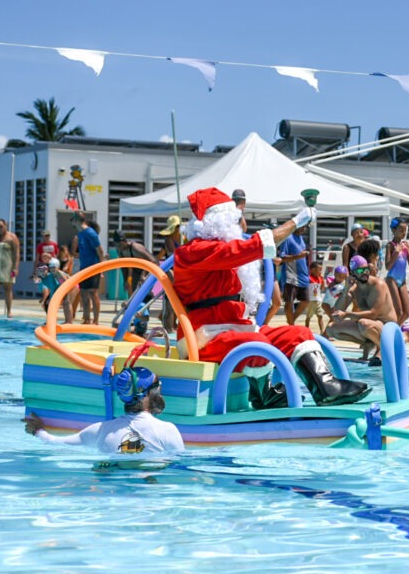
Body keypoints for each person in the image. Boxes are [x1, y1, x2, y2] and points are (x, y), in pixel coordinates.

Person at [172, 187, 368, 409]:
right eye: (233, 219)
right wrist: (295, 222)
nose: (239, 224)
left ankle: (327, 388)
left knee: (298, 334)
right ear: (217, 221)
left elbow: (245, 249)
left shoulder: (218, 249)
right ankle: (262, 396)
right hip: (203, 337)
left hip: (236, 328)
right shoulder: (194, 252)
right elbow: (251, 247)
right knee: (256, 344)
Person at [23, 366, 184, 455]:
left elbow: (54, 442)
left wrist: (37, 430)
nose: (160, 390)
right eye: (157, 386)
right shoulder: (167, 431)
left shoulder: (101, 431)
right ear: (146, 395)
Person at [325, 256, 398, 365]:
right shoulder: (354, 288)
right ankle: (369, 342)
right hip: (368, 325)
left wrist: (346, 315)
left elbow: (374, 314)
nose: (364, 273)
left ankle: (385, 350)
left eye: (366, 269)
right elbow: (337, 310)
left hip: (386, 326)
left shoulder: (378, 285)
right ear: (352, 273)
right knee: (331, 329)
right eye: (360, 271)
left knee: (363, 324)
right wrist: (346, 289)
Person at [72, 213, 104, 325]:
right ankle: (86, 319)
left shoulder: (90, 233)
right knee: (84, 293)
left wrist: (101, 268)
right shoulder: (80, 234)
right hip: (83, 267)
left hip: (93, 267)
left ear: (76, 220)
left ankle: (95, 321)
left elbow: (100, 251)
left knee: (93, 293)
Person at [384, 217, 409, 322]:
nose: (403, 233)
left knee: (407, 313)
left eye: (405, 230)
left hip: (402, 280)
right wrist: (396, 253)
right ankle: (393, 329)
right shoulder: (390, 246)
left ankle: (396, 328)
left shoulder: (406, 246)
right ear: (393, 230)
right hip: (392, 279)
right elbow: (387, 266)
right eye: (401, 230)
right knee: (399, 312)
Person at [279, 224, 312, 325]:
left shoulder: (301, 239)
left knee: (306, 301)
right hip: (291, 276)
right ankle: (291, 325)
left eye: (305, 227)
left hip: (303, 276)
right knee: (289, 302)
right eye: (302, 226)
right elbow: (282, 258)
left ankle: (291, 321)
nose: (304, 229)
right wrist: (298, 256)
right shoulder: (287, 238)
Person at [114, 230, 157, 297]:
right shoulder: (120, 251)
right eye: (116, 245)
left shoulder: (135, 248)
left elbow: (153, 261)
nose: (119, 247)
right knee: (134, 293)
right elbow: (124, 267)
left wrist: (144, 274)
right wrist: (126, 281)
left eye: (120, 244)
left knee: (144, 292)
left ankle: (149, 295)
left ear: (125, 241)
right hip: (136, 270)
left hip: (150, 268)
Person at [40, 257, 73, 322]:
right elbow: (53, 287)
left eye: (53, 268)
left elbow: (64, 284)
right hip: (63, 287)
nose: (52, 269)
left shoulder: (59, 274)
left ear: (57, 267)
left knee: (66, 302)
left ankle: (69, 321)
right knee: (48, 302)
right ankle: (51, 320)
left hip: (71, 286)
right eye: (51, 268)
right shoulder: (52, 275)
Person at [304, 261, 326, 332]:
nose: (320, 272)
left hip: (318, 300)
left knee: (320, 315)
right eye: (319, 270)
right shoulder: (308, 278)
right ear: (313, 270)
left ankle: (322, 331)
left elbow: (322, 288)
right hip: (311, 301)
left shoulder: (320, 278)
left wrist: (323, 281)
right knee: (308, 317)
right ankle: (306, 330)